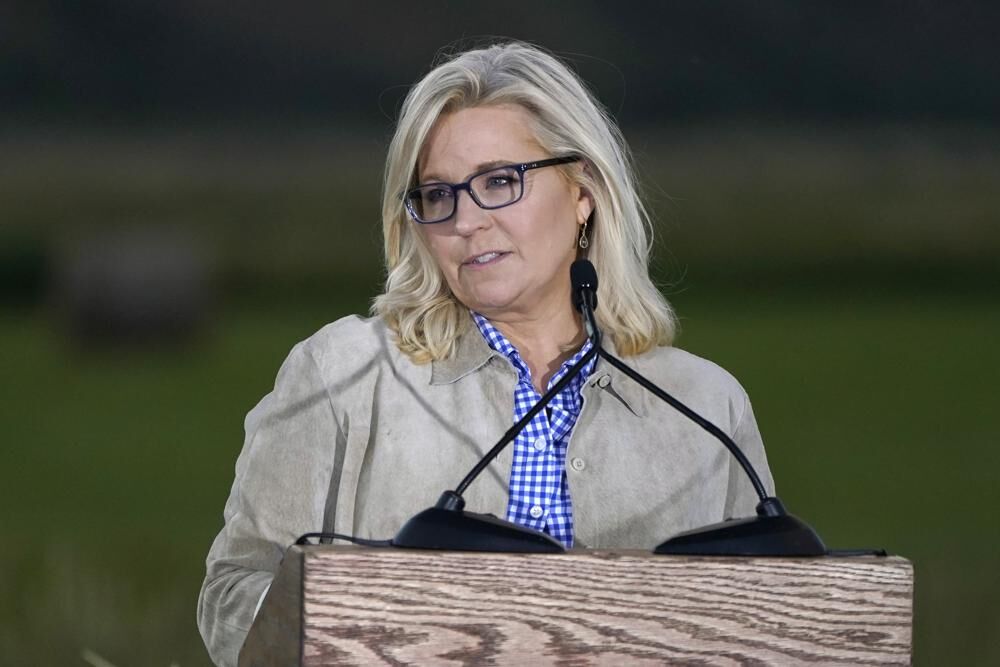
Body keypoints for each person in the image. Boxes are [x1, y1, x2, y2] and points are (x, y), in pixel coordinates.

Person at [197, 41, 773, 666]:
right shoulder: (344, 374)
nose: (466, 221)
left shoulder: (706, 407)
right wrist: (362, 639)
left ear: (583, 191)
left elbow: (775, 615)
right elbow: (235, 593)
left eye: (500, 181)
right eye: (439, 195)